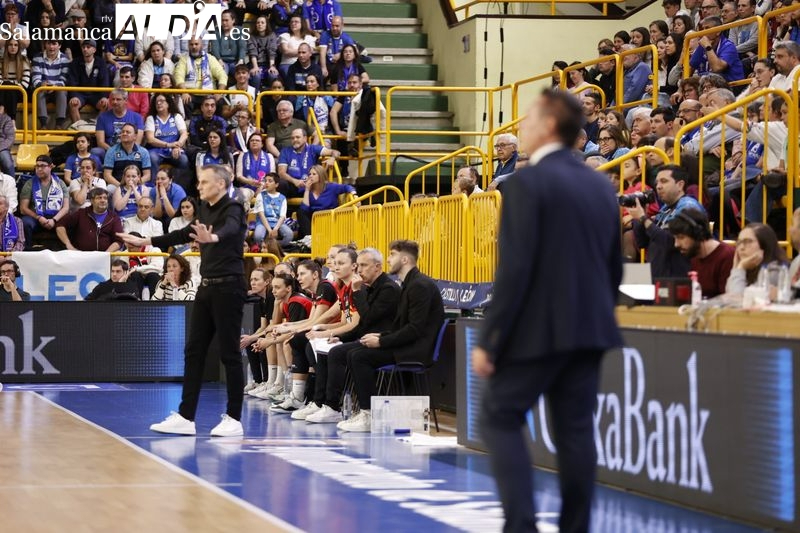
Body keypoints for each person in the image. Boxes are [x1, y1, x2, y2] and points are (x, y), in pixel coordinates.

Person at [472, 89, 622, 533]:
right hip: (591, 326)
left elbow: (516, 268)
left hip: (538, 328)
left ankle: (521, 525)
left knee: (498, 417)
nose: (520, 128)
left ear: (550, 125)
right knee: (576, 432)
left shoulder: (525, 184)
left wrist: (491, 337)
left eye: (528, 119)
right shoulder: (600, 184)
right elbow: (613, 267)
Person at [119, 164, 248, 437]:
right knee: (193, 351)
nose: (199, 186)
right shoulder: (202, 208)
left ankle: (234, 418)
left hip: (229, 287)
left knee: (229, 353)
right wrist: (144, 240)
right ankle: (186, 417)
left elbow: (231, 229)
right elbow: (180, 234)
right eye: (198, 181)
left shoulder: (233, 208)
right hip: (207, 287)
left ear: (221, 185)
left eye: (204, 182)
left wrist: (211, 237)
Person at [337, 239, 445, 432]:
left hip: (416, 350)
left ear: (404, 259)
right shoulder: (409, 284)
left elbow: (415, 329)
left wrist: (381, 341)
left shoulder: (420, 286)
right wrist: (379, 336)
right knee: (356, 351)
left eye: (392, 255)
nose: (388, 259)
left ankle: (369, 414)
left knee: (359, 356)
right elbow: (402, 327)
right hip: (406, 344)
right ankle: (364, 411)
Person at [305, 247, 401, 424]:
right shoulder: (370, 287)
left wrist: (357, 292)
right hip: (372, 338)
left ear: (377, 267)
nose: (360, 270)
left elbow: (367, 318)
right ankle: (328, 405)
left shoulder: (387, 289)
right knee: (336, 350)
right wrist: (340, 337)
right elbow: (363, 324)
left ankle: (366, 412)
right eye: (359, 266)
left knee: (355, 356)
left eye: (363, 266)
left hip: (388, 342)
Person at [629, 164, 705, 278]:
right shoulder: (664, 209)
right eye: (657, 183)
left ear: (680, 185)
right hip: (657, 277)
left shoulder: (688, 207)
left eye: (664, 181)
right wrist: (639, 219)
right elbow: (643, 243)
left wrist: (643, 219)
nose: (658, 186)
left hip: (678, 280)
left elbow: (671, 242)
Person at [668, 207, 735, 298]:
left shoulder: (727, 256)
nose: (676, 244)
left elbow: (729, 302)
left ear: (698, 234)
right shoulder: (693, 256)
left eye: (681, 237)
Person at [19, 155, 70, 249]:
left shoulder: (60, 183)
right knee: (25, 222)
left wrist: (54, 220)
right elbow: (23, 208)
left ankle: (66, 250)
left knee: (69, 221)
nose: (39, 169)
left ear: (51, 167)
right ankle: (27, 250)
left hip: (55, 217)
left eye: (42, 166)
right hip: (36, 218)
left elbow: (66, 207)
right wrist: (39, 217)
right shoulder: (29, 183)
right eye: (37, 166)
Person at [725, 223, 788, 295]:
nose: (741, 247)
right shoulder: (748, 267)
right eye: (739, 242)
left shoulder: (774, 270)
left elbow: (737, 298)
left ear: (764, 245)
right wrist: (735, 268)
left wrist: (740, 268)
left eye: (748, 241)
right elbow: (729, 296)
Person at [55, 187, 123, 252]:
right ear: (92, 201)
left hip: (106, 255)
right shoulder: (81, 213)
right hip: (81, 255)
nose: (103, 200)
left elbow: (119, 241)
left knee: (119, 255)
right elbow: (60, 225)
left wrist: (106, 254)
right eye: (99, 198)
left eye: (105, 198)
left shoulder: (114, 218)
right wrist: (68, 244)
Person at [298, 164, 356, 237]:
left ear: (321, 175)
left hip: (329, 217)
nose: (310, 176)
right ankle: (309, 238)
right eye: (309, 174)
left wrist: (354, 195)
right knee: (300, 212)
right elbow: (304, 209)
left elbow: (347, 187)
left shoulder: (331, 187)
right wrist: (307, 190)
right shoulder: (309, 189)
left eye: (314, 174)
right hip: (315, 219)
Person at [67, 40, 109, 125]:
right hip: (80, 94)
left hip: (96, 94)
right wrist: (74, 96)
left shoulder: (101, 63)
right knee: (73, 104)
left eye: (88, 47)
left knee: (105, 104)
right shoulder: (75, 62)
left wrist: (104, 96)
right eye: (83, 47)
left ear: (94, 50)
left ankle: (97, 127)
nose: (85, 49)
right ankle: (79, 129)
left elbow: (105, 82)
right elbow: (72, 82)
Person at [252, 172, 293, 248]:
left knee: (289, 235)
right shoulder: (260, 195)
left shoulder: (282, 198)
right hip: (263, 222)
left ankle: (275, 247)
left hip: (277, 222)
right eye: (265, 181)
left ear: (276, 185)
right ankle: (264, 247)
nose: (267, 183)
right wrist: (270, 230)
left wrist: (276, 229)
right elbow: (261, 215)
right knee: (258, 236)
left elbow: (282, 216)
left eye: (270, 181)